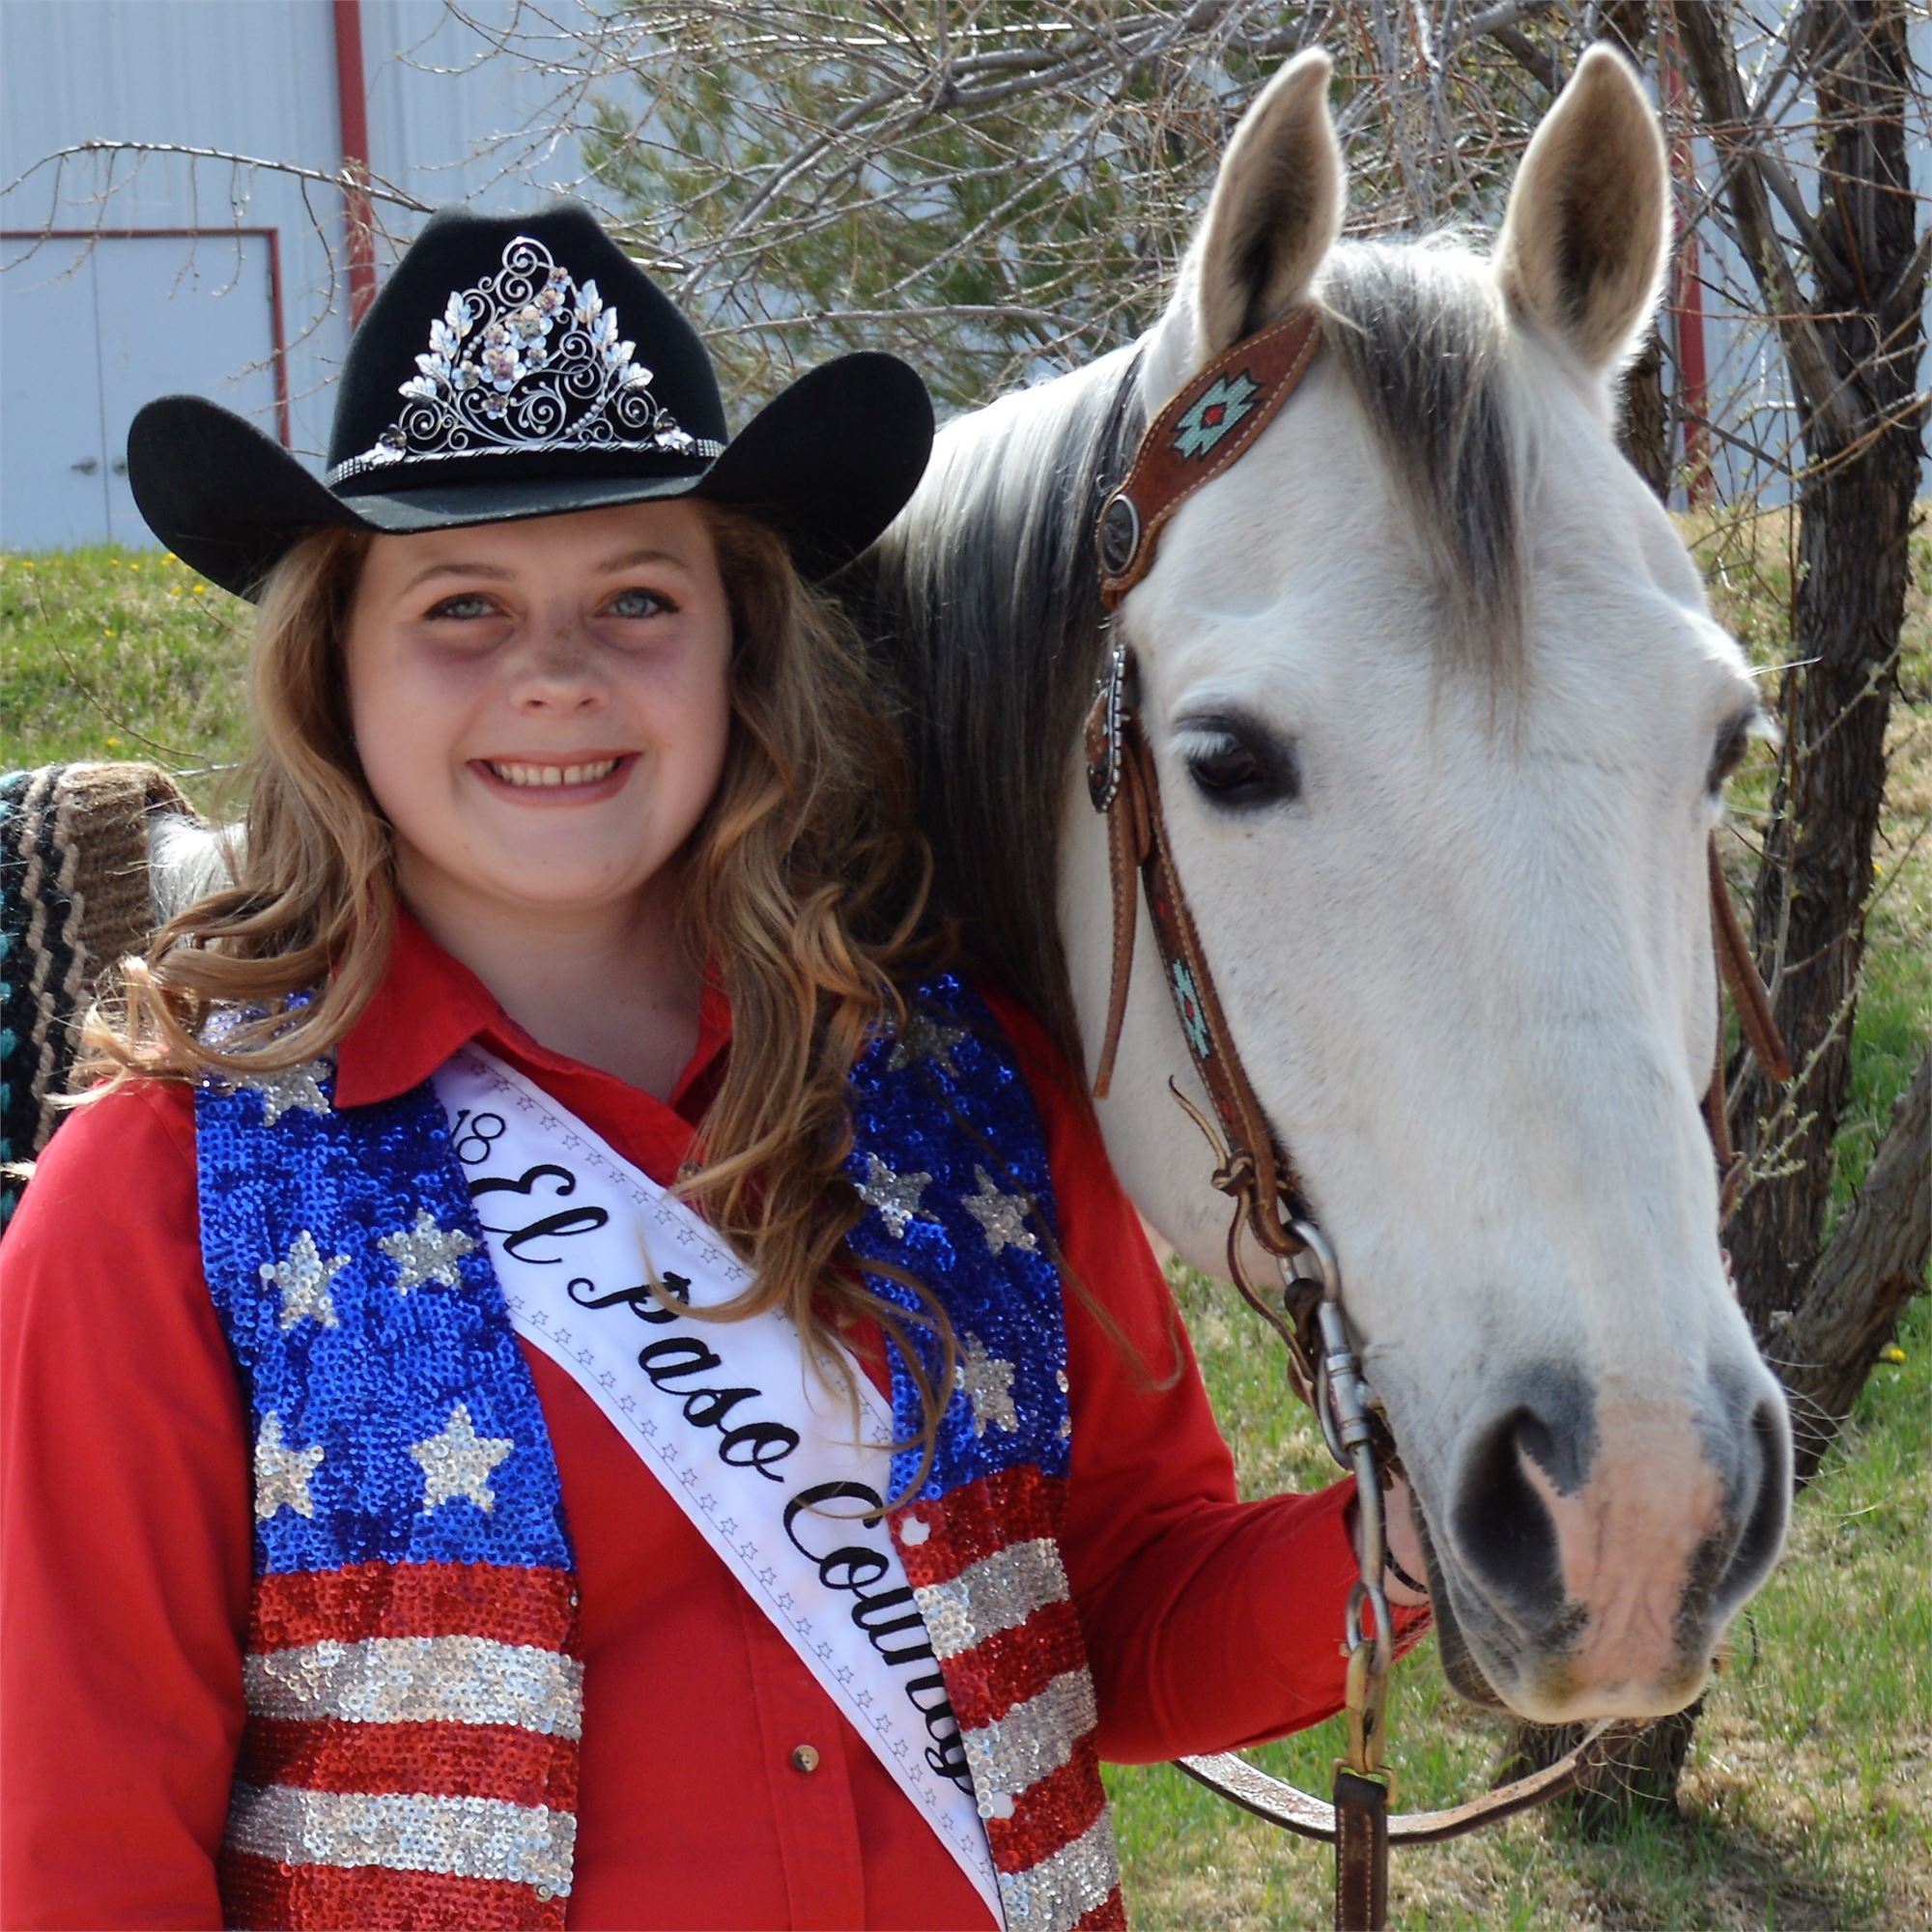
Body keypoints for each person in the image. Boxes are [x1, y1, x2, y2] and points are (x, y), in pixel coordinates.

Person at [0, 203, 1427, 1932]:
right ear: (335, 676)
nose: (555, 676)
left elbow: (1109, 1621)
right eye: (461, 605)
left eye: (637, 598)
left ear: (740, 647)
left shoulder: (976, 1095)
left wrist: (1420, 1547)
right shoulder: (155, 1204)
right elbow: (81, 1858)